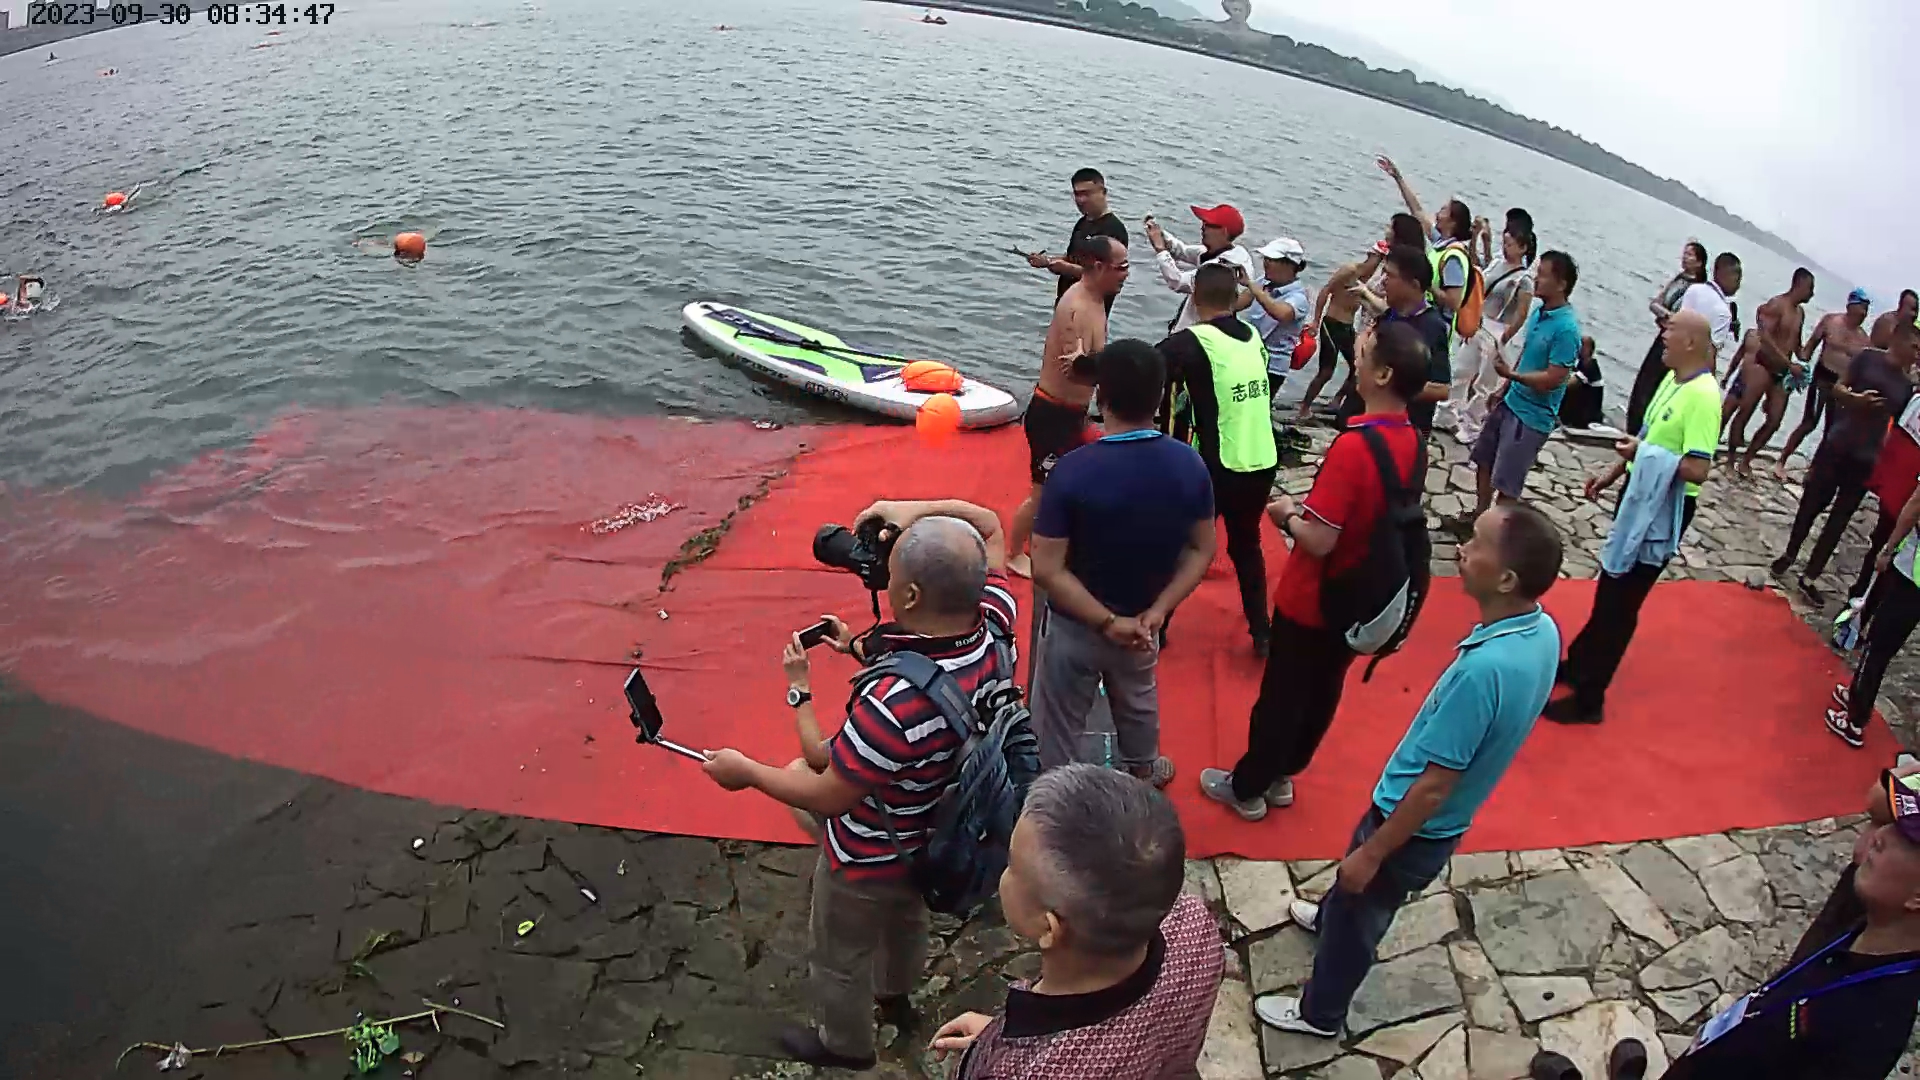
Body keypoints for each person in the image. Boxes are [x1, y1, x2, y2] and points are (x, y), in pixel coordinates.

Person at [698, 499, 1018, 1070]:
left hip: (869, 854)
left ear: (910, 596)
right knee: (907, 923)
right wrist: (860, 645)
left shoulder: (892, 705)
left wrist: (745, 772)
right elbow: (990, 526)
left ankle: (845, 1045)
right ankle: (895, 994)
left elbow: (830, 792)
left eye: (889, 573)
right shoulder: (997, 626)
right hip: (936, 842)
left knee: (838, 956)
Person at [1256, 504, 1564, 1040]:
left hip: (1408, 826)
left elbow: (1434, 788)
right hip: (1427, 819)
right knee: (1350, 894)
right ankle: (1329, 916)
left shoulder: (1484, 671)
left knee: (1360, 911)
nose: (1462, 549)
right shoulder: (1542, 631)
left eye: (1477, 543)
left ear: (1507, 579)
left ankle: (1320, 1012)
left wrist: (1374, 852)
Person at [1196, 321, 1431, 819]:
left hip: (1314, 598)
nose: (1355, 359)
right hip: (1359, 594)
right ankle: (1284, 774)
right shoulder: (1413, 439)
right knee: (1322, 689)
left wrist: (1286, 516)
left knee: (1281, 695)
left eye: (1363, 353)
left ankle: (1248, 787)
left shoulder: (1354, 447)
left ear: (1383, 374)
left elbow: (1320, 539)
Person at [927, 765, 1223, 1078]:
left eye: (1012, 864)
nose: (1004, 870)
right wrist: (994, 1039)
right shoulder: (1197, 928)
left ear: (1047, 927)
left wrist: (1004, 1060)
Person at [1626, 766, 1920, 1079]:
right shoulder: (1865, 926)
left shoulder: (1871, 1029)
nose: (1879, 835)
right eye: (1892, 824)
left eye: (1907, 839)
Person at [1031, 340, 1215, 783]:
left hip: (1078, 623)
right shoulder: (1190, 464)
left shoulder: (1072, 471)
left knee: (1056, 719)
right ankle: (1144, 768)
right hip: (1144, 620)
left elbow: (1047, 567)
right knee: (1139, 699)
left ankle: (1052, 791)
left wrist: (1106, 621)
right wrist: (1159, 610)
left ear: (1101, 397)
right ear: (1160, 396)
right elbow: (1201, 549)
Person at [1545, 312, 1720, 726]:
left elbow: (1698, 469)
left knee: (1622, 602)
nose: (1663, 335)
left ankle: (1591, 698)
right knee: (1609, 586)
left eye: (1671, 330)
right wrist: (1612, 474)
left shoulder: (1704, 396)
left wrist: (1642, 456)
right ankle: (1580, 663)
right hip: (1641, 491)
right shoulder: (1673, 379)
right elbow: (1646, 437)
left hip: (1664, 507)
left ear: (1691, 342)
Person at [1157, 263, 1282, 653]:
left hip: (1219, 465)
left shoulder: (1191, 342)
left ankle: (1156, 626)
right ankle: (1262, 632)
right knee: (1246, 545)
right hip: (1261, 458)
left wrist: (1087, 364)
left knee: (1184, 547)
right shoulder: (1253, 337)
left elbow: (1140, 366)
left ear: (1194, 297)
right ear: (1234, 298)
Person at [1771, 318, 1920, 602]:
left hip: (1866, 458)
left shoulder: (1906, 386)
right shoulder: (1867, 358)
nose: (1917, 354)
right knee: (1812, 502)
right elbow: (1838, 388)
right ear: (1899, 341)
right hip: (1838, 443)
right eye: (1914, 347)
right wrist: (1855, 399)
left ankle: (1811, 575)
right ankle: (1790, 553)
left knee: (1840, 518)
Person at [1008, 235, 1130, 578]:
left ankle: (1060, 545)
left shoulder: (1096, 295)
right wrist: (1118, 373)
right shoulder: (1077, 308)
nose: (1126, 273)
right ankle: (1014, 553)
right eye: (1122, 267)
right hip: (1053, 413)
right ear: (1100, 267)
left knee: (1075, 485)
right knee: (1042, 493)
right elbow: (1073, 372)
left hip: (1074, 413)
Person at [1460, 250, 1581, 519]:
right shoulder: (1539, 313)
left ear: (1561, 284)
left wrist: (1512, 376)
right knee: (1483, 460)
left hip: (1531, 418)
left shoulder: (1567, 330)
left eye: (1543, 275)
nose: (1535, 279)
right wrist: (1503, 388)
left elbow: (1554, 379)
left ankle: (1496, 530)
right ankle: (1479, 515)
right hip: (1510, 401)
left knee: (1507, 483)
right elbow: (1526, 355)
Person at [1297, 214, 1422, 420]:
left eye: (1380, 260)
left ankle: (1337, 400)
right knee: (1326, 371)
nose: (1377, 264)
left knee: (1357, 367)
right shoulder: (1351, 270)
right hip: (1332, 323)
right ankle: (1304, 407)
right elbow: (1325, 291)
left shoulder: (1371, 280)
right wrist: (1316, 321)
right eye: (1375, 258)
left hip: (1348, 327)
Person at [1448, 214, 1538, 445]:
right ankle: (1448, 412)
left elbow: (1521, 313)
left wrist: (1505, 337)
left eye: (1510, 245)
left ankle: (1472, 424)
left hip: (1498, 328)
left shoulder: (1523, 280)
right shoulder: (1498, 262)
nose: (1505, 248)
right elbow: (1480, 272)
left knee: (1484, 383)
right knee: (1461, 370)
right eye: (1504, 243)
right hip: (1480, 322)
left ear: (1523, 248)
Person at [1723, 268, 1816, 480]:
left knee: (1774, 421)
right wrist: (1788, 363)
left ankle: (1747, 459)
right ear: (1799, 285)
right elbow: (1764, 337)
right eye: (1810, 289)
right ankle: (1730, 458)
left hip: (1781, 373)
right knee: (1745, 411)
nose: (1811, 294)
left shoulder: (1799, 313)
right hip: (1763, 365)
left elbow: (1796, 344)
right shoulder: (1777, 304)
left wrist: (1805, 355)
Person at [1629, 251, 1738, 432]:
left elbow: (1679, 319)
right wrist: (1709, 386)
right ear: (1724, 274)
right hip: (1688, 361)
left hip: (1669, 345)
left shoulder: (1694, 289)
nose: (1738, 284)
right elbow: (1710, 352)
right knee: (1671, 405)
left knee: (1647, 389)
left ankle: (1634, 431)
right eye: (1736, 277)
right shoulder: (1723, 312)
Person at [1775, 288, 1876, 478]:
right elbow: (1808, 349)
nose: (1863, 313)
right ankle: (1782, 460)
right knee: (1809, 422)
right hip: (1822, 378)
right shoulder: (1831, 322)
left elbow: (1862, 370)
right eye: (1861, 308)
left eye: (1866, 310)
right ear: (1850, 306)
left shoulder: (1864, 341)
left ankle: (1815, 470)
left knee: (1831, 430)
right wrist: (1794, 364)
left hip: (1841, 387)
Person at [1349, 245, 1451, 434]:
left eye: (1389, 276)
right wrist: (1361, 358)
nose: (1383, 282)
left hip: (1400, 429)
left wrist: (1388, 387)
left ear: (1414, 285)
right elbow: (1367, 334)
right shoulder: (1393, 313)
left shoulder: (1431, 326)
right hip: (1367, 416)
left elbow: (1442, 389)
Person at [1374, 155, 1475, 324]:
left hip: (1435, 325)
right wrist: (1398, 177)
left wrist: (1425, 284)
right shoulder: (1441, 244)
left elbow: (1454, 302)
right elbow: (1417, 210)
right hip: (1422, 316)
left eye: (1443, 211)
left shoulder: (1453, 257)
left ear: (1453, 222)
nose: (1437, 213)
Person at [1623, 242, 1711, 433]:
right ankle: (1633, 425)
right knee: (1644, 382)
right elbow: (1656, 302)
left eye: (1690, 254)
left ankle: (1645, 428)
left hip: (1676, 340)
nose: (1685, 257)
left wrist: (1670, 318)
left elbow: (1688, 318)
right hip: (1663, 335)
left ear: (1700, 262)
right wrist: (1666, 315)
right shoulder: (1679, 279)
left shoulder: (1697, 290)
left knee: (1656, 385)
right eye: (1684, 253)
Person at [1025, 168, 1128, 314]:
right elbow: (1073, 258)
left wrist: (1066, 268)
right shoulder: (1082, 223)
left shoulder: (1114, 229)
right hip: (1065, 306)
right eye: (1077, 194)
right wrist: (1047, 261)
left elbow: (1107, 277)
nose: (1081, 200)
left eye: (1087, 194)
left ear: (1103, 192)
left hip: (1089, 312)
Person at [1145, 204, 1256, 335]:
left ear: (1224, 231)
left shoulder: (1223, 267)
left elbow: (1178, 282)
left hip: (1198, 336)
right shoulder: (1227, 252)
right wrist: (1158, 232)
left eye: (1208, 224)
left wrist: (1161, 250)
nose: (1202, 228)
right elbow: (1181, 251)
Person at [1241, 237, 1313, 381]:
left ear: (1289, 265)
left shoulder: (1298, 297)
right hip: (1248, 355)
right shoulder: (1262, 282)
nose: (1266, 263)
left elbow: (1281, 313)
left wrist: (1252, 287)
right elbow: (1237, 304)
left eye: (1272, 259)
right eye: (1266, 258)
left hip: (1272, 367)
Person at [1558, 336, 1606, 430]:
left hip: (1587, 415)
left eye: (1581, 345)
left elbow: (1569, 385)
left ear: (1589, 349)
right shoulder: (1582, 364)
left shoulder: (1590, 366)